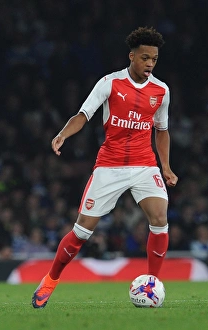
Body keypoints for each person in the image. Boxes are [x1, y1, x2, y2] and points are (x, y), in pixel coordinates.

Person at [32, 26, 178, 309]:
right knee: (82, 232)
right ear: (132, 56)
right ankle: (50, 279)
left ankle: (152, 284)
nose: (150, 64)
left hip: (144, 164)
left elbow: (162, 130)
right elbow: (83, 114)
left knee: (160, 219)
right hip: (109, 166)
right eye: (145, 58)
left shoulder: (161, 91)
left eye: (155, 59)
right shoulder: (110, 83)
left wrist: (166, 167)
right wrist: (63, 134)